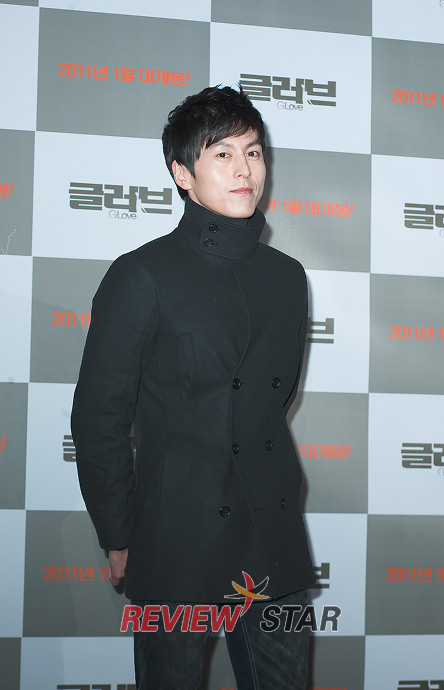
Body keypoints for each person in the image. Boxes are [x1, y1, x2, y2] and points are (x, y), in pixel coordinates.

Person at [71, 85, 315, 690]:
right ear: (183, 174)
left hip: (271, 534)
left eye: (252, 152)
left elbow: (271, 404)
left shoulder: (288, 278)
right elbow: (99, 419)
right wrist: (118, 533)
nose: (244, 170)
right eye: (222, 154)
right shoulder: (142, 275)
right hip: (175, 536)